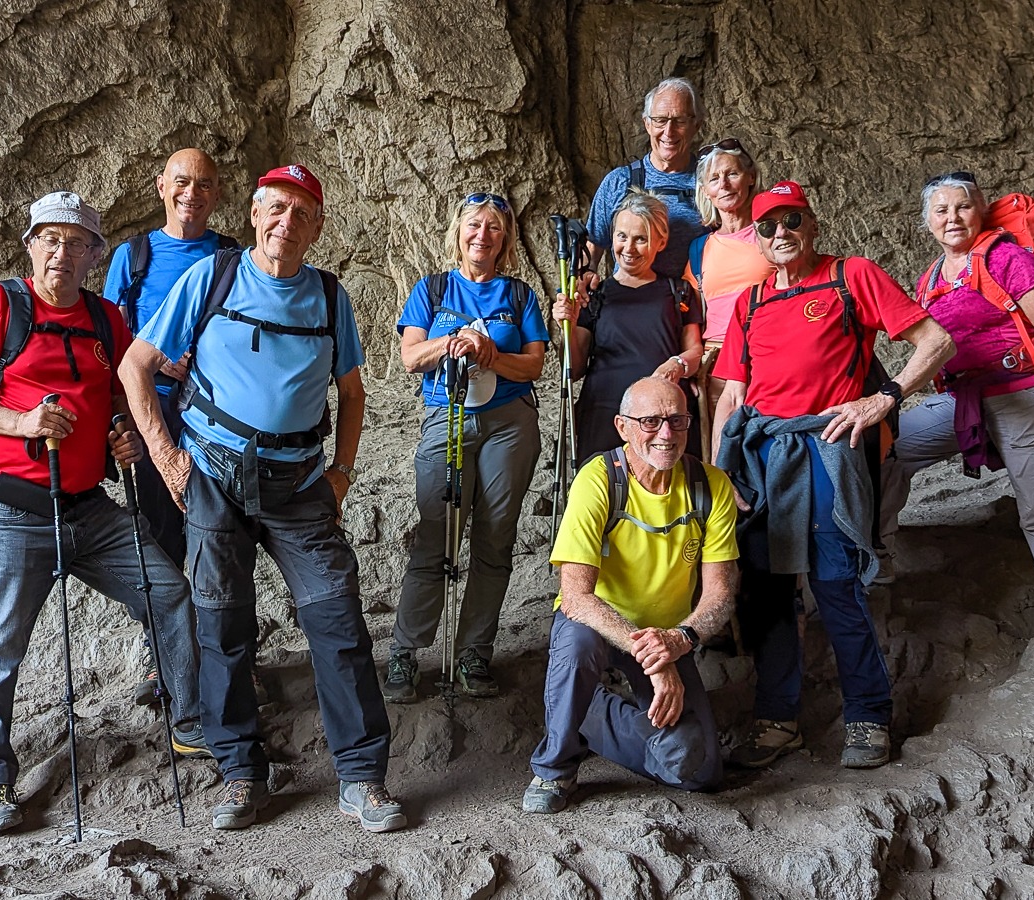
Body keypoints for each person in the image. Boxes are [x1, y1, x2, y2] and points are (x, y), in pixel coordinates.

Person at [121, 165, 406, 834]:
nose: (286, 222)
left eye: (301, 213)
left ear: (318, 228)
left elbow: (353, 393)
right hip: (214, 480)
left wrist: (341, 472)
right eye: (275, 208)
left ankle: (362, 777)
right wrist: (168, 459)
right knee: (222, 628)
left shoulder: (329, 296)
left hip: (300, 486)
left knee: (337, 619)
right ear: (254, 214)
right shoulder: (212, 277)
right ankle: (241, 774)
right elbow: (136, 365)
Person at [0, 191, 204, 835]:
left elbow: (117, 395)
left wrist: (119, 436)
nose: (62, 252)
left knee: (169, 593)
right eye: (50, 239)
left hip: (88, 507)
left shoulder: (106, 319)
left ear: (93, 255)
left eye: (77, 242)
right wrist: (21, 422)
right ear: (31, 245)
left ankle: (190, 721)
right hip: (11, 506)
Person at [710, 181, 954, 770]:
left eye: (791, 220)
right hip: (764, 456)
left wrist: (885, 398)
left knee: (835, 582)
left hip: (826, 450)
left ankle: (869, 715)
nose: (781, 233)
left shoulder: (851, 276)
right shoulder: (750, 303)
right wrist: (720, 475)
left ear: (812, 224)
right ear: (758, 239)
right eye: (768, 226)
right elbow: (733, 396)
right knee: (768, 592)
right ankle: (777, 720)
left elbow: (937, 341)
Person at [879, 172, 1034, 641]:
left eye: (962, 207)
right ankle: (877, 564)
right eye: (941, 210)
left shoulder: (1007, 258)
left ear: (979, 211)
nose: (952, 218)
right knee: (888, 448)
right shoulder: (930, 278)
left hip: (1024, 392)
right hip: (964, 400)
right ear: (927, 222)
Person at [523, 376, 736, 813]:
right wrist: (656, 659)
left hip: (667, 635)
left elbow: (720, 594)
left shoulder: (711, 485)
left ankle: (588, 716)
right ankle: (554, 768)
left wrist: (679, 640)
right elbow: (576, 597)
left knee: (699, 771)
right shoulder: (600, 479)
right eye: (650, 422)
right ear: (622, 426)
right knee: (577, 644)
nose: (666, 434)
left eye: (677, 421)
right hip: (599, 623)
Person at [386, 192, 549, 703]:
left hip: (509, 422)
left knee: (495, 535)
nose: (483, 235)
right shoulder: (433, 289)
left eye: (494, 227)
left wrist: (490, 353)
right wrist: (454, 341)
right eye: (474, 225)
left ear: (506, 240)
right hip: (448, 415)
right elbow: (411, 357)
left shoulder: (518, 295)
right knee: (437, 534)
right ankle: (406, 650)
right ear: (458, 233)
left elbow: (534, 365)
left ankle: (474, 651)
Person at [101, 148, 238, 706]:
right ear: (161, 187)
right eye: (182, 182)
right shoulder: (133, 257)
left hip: (215, 417)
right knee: (160, 541)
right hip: (153, 414)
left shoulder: (232, 255)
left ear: (217, 194)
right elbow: (111, 340)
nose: (192, 194)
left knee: (220, 538)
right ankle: (168, 663)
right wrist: (153, 365)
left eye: (204, 184)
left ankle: (224, 659)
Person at [553, 189, 704, 461]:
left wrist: (677, 365)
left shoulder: (678, 292)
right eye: (621, 236)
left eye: (641, 239)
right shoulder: (593, 295)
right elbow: (573, 368)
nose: (629, 248)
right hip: (604, 413)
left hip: (665, 419)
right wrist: (569, 326)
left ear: (661, 242)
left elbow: (694, 351)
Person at [684, 140, 772, 456]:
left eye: (731, 173)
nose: (723, 184)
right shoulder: (699, 250)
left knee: (769, 449)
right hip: (717, 363)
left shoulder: (772, 235)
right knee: (722, 455)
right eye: (714, 179)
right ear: (706, 191)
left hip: (768, 357)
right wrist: (690, 363)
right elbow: (693, 316)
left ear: (750, 177)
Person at [584, 78, 708, 282]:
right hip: (628, 298)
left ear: (696, 125)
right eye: (660, 120)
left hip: (691, 299)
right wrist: (581, 283)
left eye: (680, 121)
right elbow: (592, 246)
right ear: (647, 124)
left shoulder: (711, 184)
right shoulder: (619, 182)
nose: (669, 131)